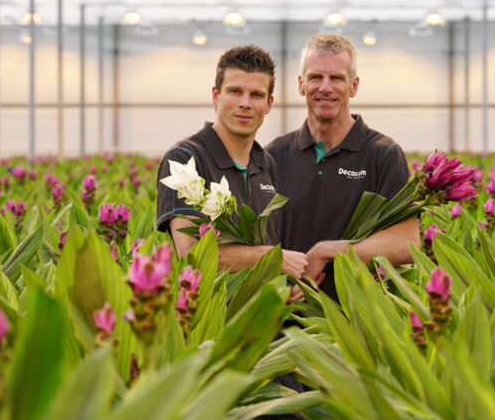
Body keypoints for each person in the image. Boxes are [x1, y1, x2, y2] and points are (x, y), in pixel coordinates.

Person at [267, 33, 418, 300]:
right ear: (301, 85)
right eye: (315, 77)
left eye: (336, 78)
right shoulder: (274, 155)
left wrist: (329, 251)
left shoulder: (382, 155)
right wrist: (273, 286)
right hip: (284, 322)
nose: (325, 87)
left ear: (354, 85)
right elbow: (259, 240)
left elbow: (406, 243)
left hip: (355, 322)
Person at [156, 44, 308, 279]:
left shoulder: (266, 163)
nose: (245, 103)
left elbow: (273, 243)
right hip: (212, 312)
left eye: (256, 95)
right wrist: (275, 259)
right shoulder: (185, 159)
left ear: (268, 104)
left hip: (264, 311)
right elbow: (194, 254)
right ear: (216, 96)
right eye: (235, 91)